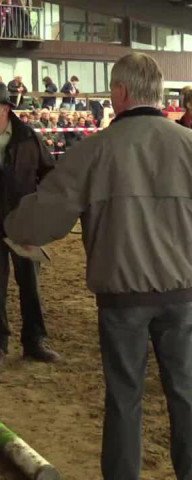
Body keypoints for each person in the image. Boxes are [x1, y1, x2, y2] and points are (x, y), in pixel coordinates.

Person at [4, 52, 192, 480]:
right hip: (181, 300)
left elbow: (42, 220)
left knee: (124, 399)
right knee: (186, 397)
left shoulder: (93, 151)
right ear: (157, 95)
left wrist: (11, 221)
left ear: (119, 93)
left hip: (121, 302)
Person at [0, 83, 59, 366]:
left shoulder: (27, 137)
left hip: (23, 224)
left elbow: (49, 174)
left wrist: (40, 212)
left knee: (30, 285)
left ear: (5, 108)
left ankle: (34, 341)